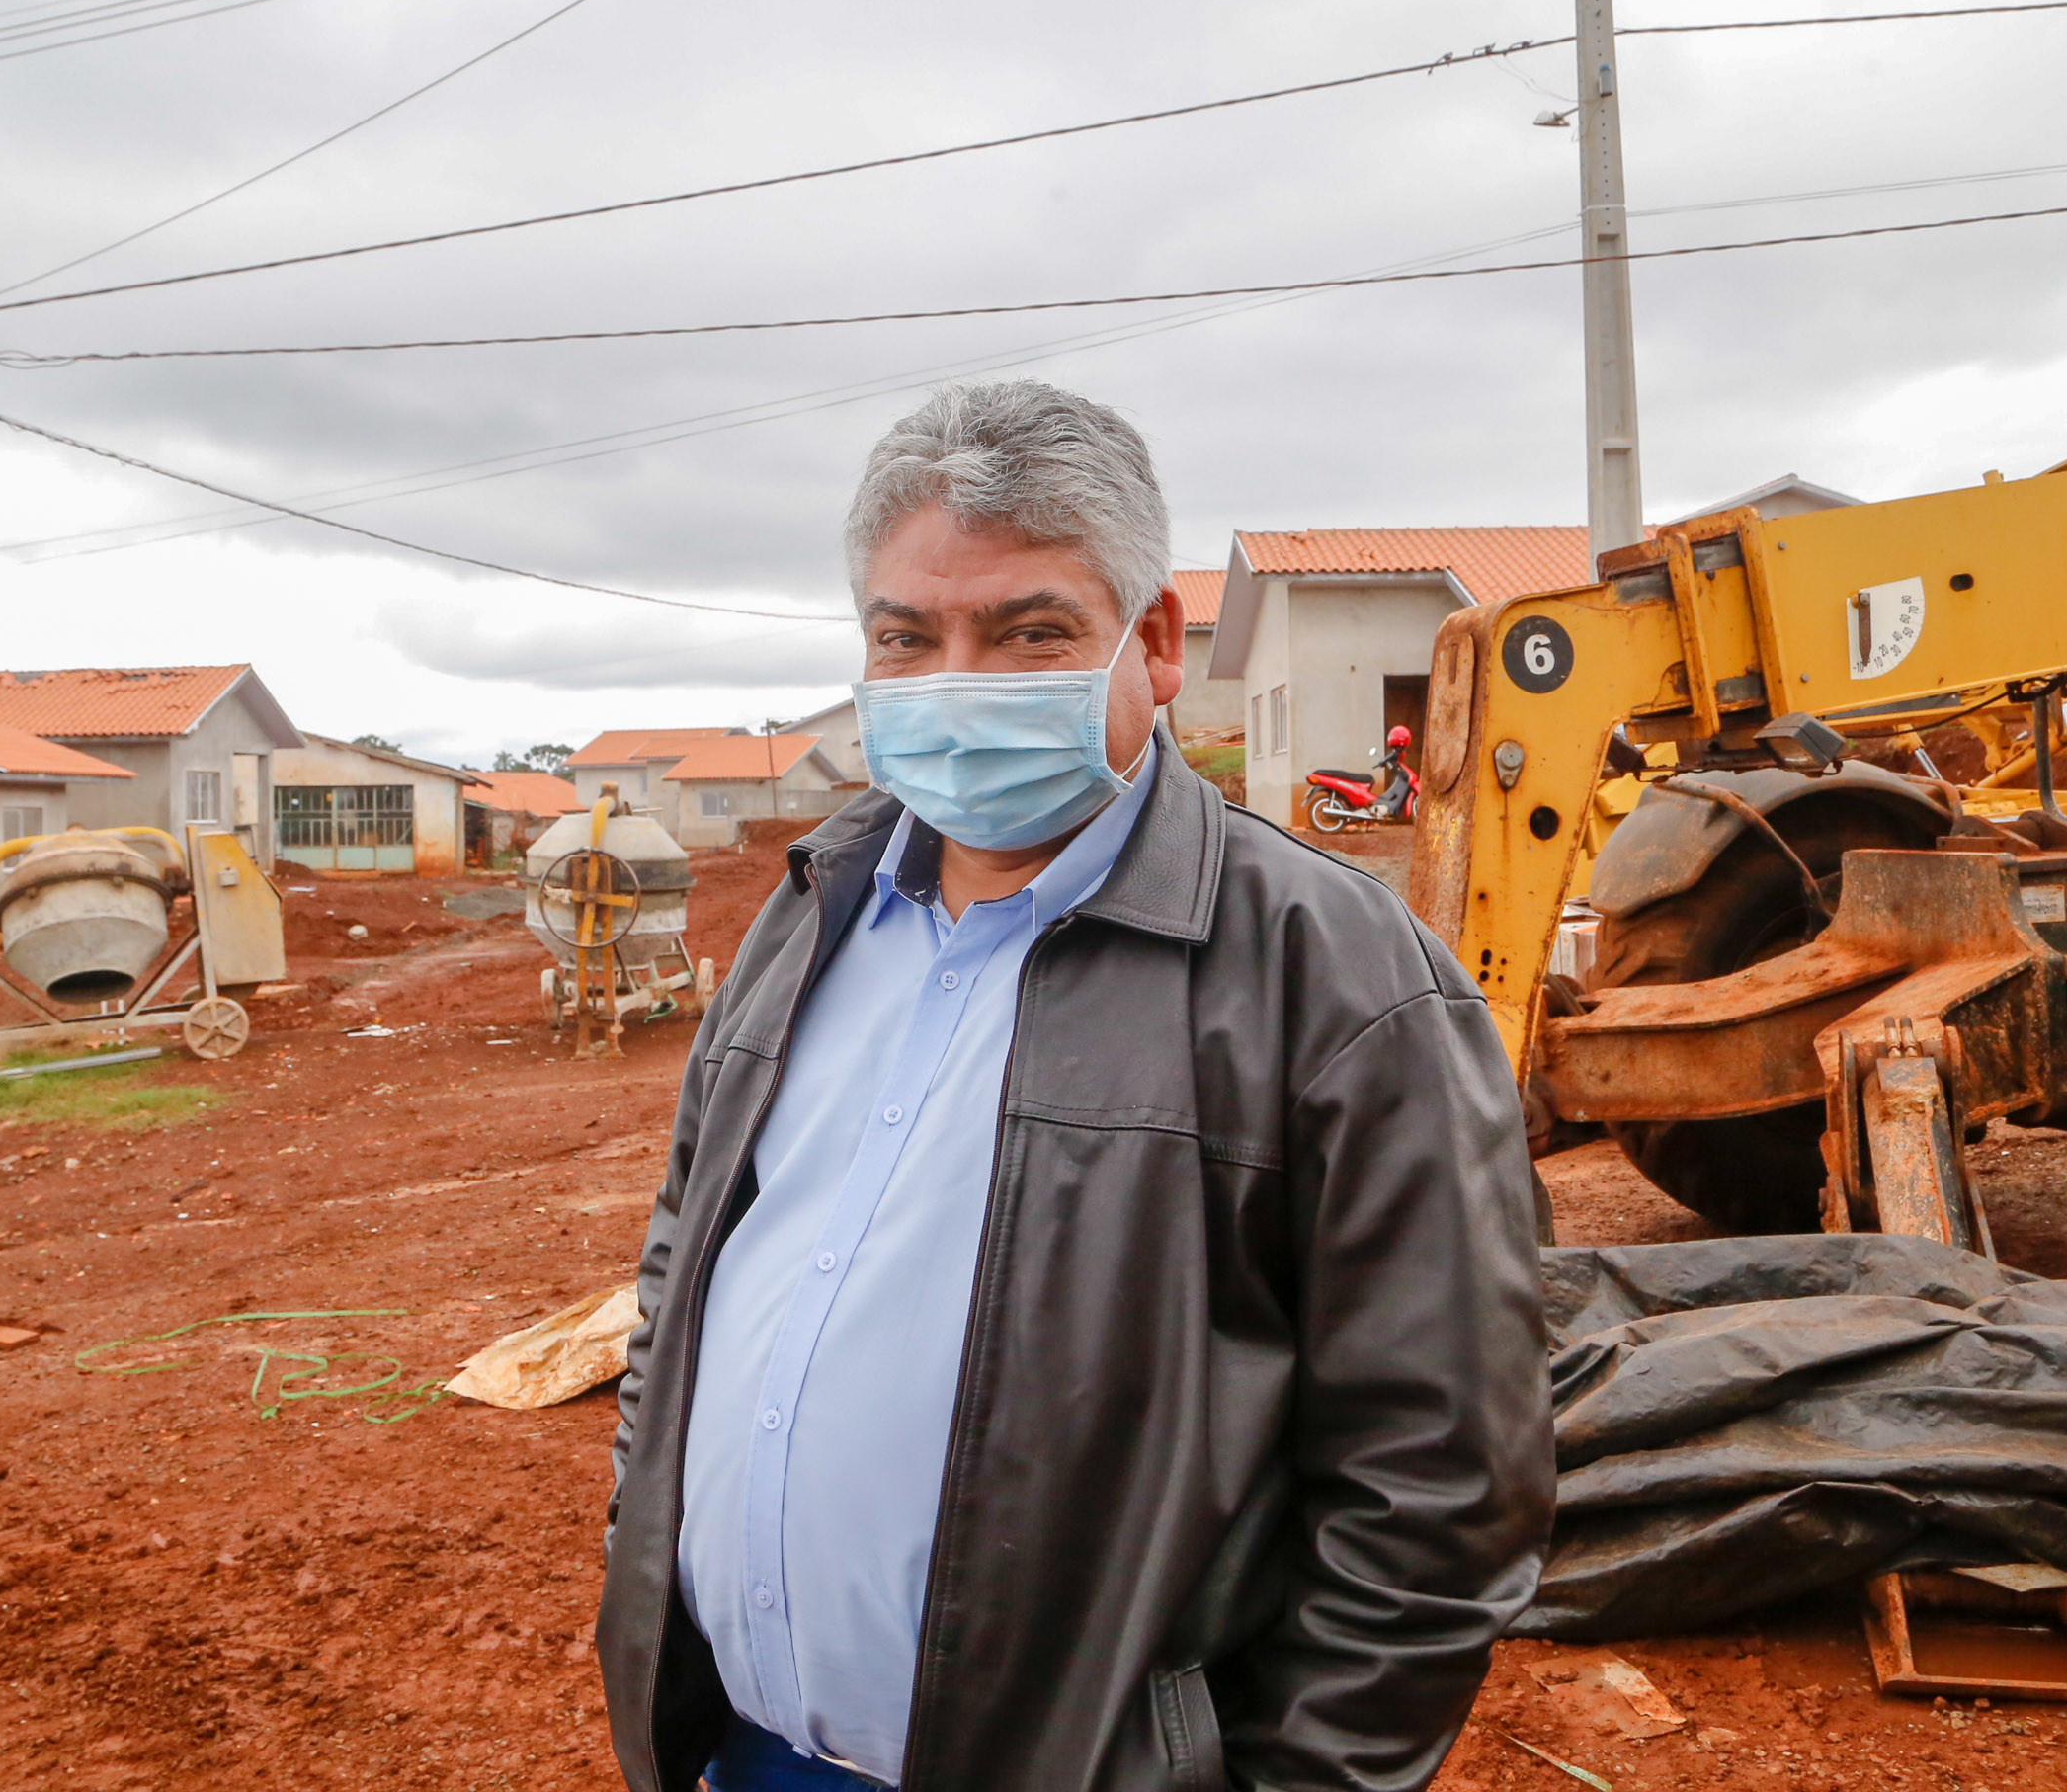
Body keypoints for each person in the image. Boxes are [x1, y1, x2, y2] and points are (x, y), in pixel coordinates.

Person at [598, 380, 1552, 1792]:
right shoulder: (810, 913)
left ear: (1154, 643)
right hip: (743, 1754)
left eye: (1028, 632)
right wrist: (649, 1518)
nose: (958, 686)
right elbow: (686, 1257)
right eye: (907, 639)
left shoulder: (1333, 978)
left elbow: (1438, 1487)